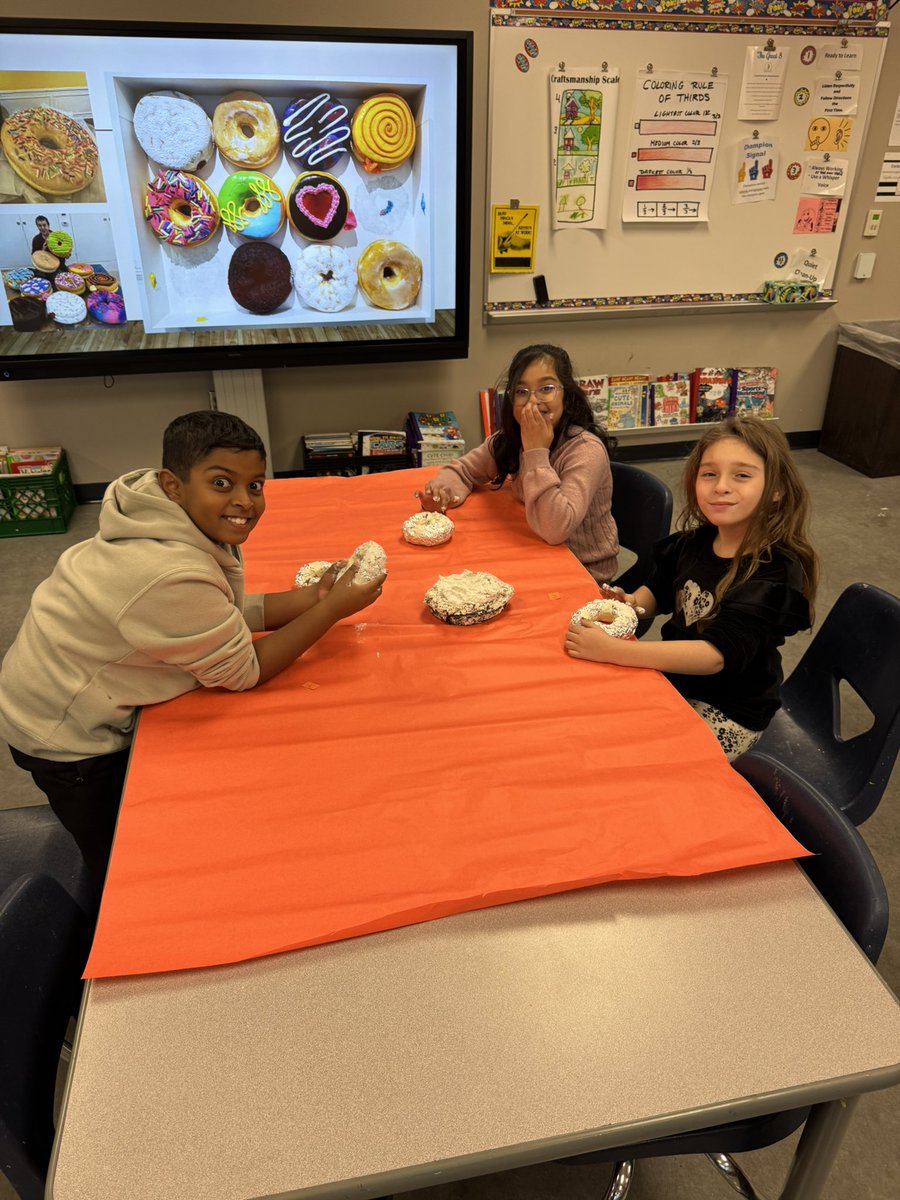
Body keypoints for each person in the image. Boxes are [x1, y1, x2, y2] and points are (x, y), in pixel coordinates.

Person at [0, 411, 384, 892]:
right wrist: (334, 612)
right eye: (222, 483)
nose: (244, 502)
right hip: (66, 737)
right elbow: (243, 669)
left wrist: (311, 598)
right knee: (122, 858)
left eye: (256, 485)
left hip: (53, 690)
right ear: (173, 484)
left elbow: (212, 614)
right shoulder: (164, 571)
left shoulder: (166, 519)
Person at [565, 416, 819, 760]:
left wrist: (616, 652)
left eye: (741, 475)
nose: (721, 486)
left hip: (730, 712)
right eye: (709, 473)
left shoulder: (775, 574)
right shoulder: (697, 542)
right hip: (676, 683)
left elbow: (715, 657)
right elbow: (659, 591)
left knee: (627, 761)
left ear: (777, 489)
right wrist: (630, 602)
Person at [417, 343, 619, 583]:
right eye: (522, 392)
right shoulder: (511, 440)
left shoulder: (585, 450)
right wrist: (444, 491)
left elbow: (555, 529)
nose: (533, 401)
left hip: (583, 570)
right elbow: (462, 470)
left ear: (567, 395)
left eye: (546, 388)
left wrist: (536, 451)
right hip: (534, 551)